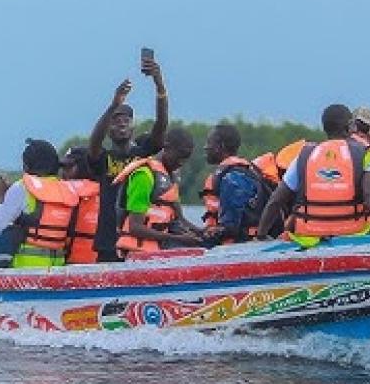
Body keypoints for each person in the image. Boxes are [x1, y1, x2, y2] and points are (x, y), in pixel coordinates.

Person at [257, 104, 370, 245]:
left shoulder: (303, 156)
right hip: (352, 235)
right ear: (351, 127)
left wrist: (262, 233)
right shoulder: (366, 155)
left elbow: (276, 199)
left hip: (309, 238)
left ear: (325, 128)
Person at [87, 57, 170, 262]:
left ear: (133, 126)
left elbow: (161, 126)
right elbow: (94, 142)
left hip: (136, 241)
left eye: (126, 120)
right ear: (108, 129)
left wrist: (159, 85)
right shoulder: (103, 158)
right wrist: (113, 104)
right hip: (107, 241)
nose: (121, 124)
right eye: (116, 121)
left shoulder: (142, 154)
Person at [0, 140, 80, 268]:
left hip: (26, 270)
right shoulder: (67, 189)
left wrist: (0, 200)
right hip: (57, 267)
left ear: (27, 166)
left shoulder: (22, 187)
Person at [114, 127, 204, 255]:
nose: (181, 163)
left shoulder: (170, 177)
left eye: (186, 158)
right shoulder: (144, 175)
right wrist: (176, 238)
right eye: (179, 157)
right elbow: (135, 228)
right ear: (166, 148)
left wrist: (201, 232)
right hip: (136, 253)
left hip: (159, 251)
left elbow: (179, 220)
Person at [199, 124, 270, 246]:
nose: (205, 147)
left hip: (237, 248)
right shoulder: (241, 173)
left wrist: (206, 235)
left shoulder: (232, 179)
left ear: (220, 146)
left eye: (209, 143)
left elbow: (230, 228)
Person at [59, 146, 101, 264]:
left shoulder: (64, 191)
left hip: (71, 261)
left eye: (69, 167)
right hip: (99, 262)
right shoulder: (105, 191)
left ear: (83, 166)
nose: (64, 172)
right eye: (63, 167)